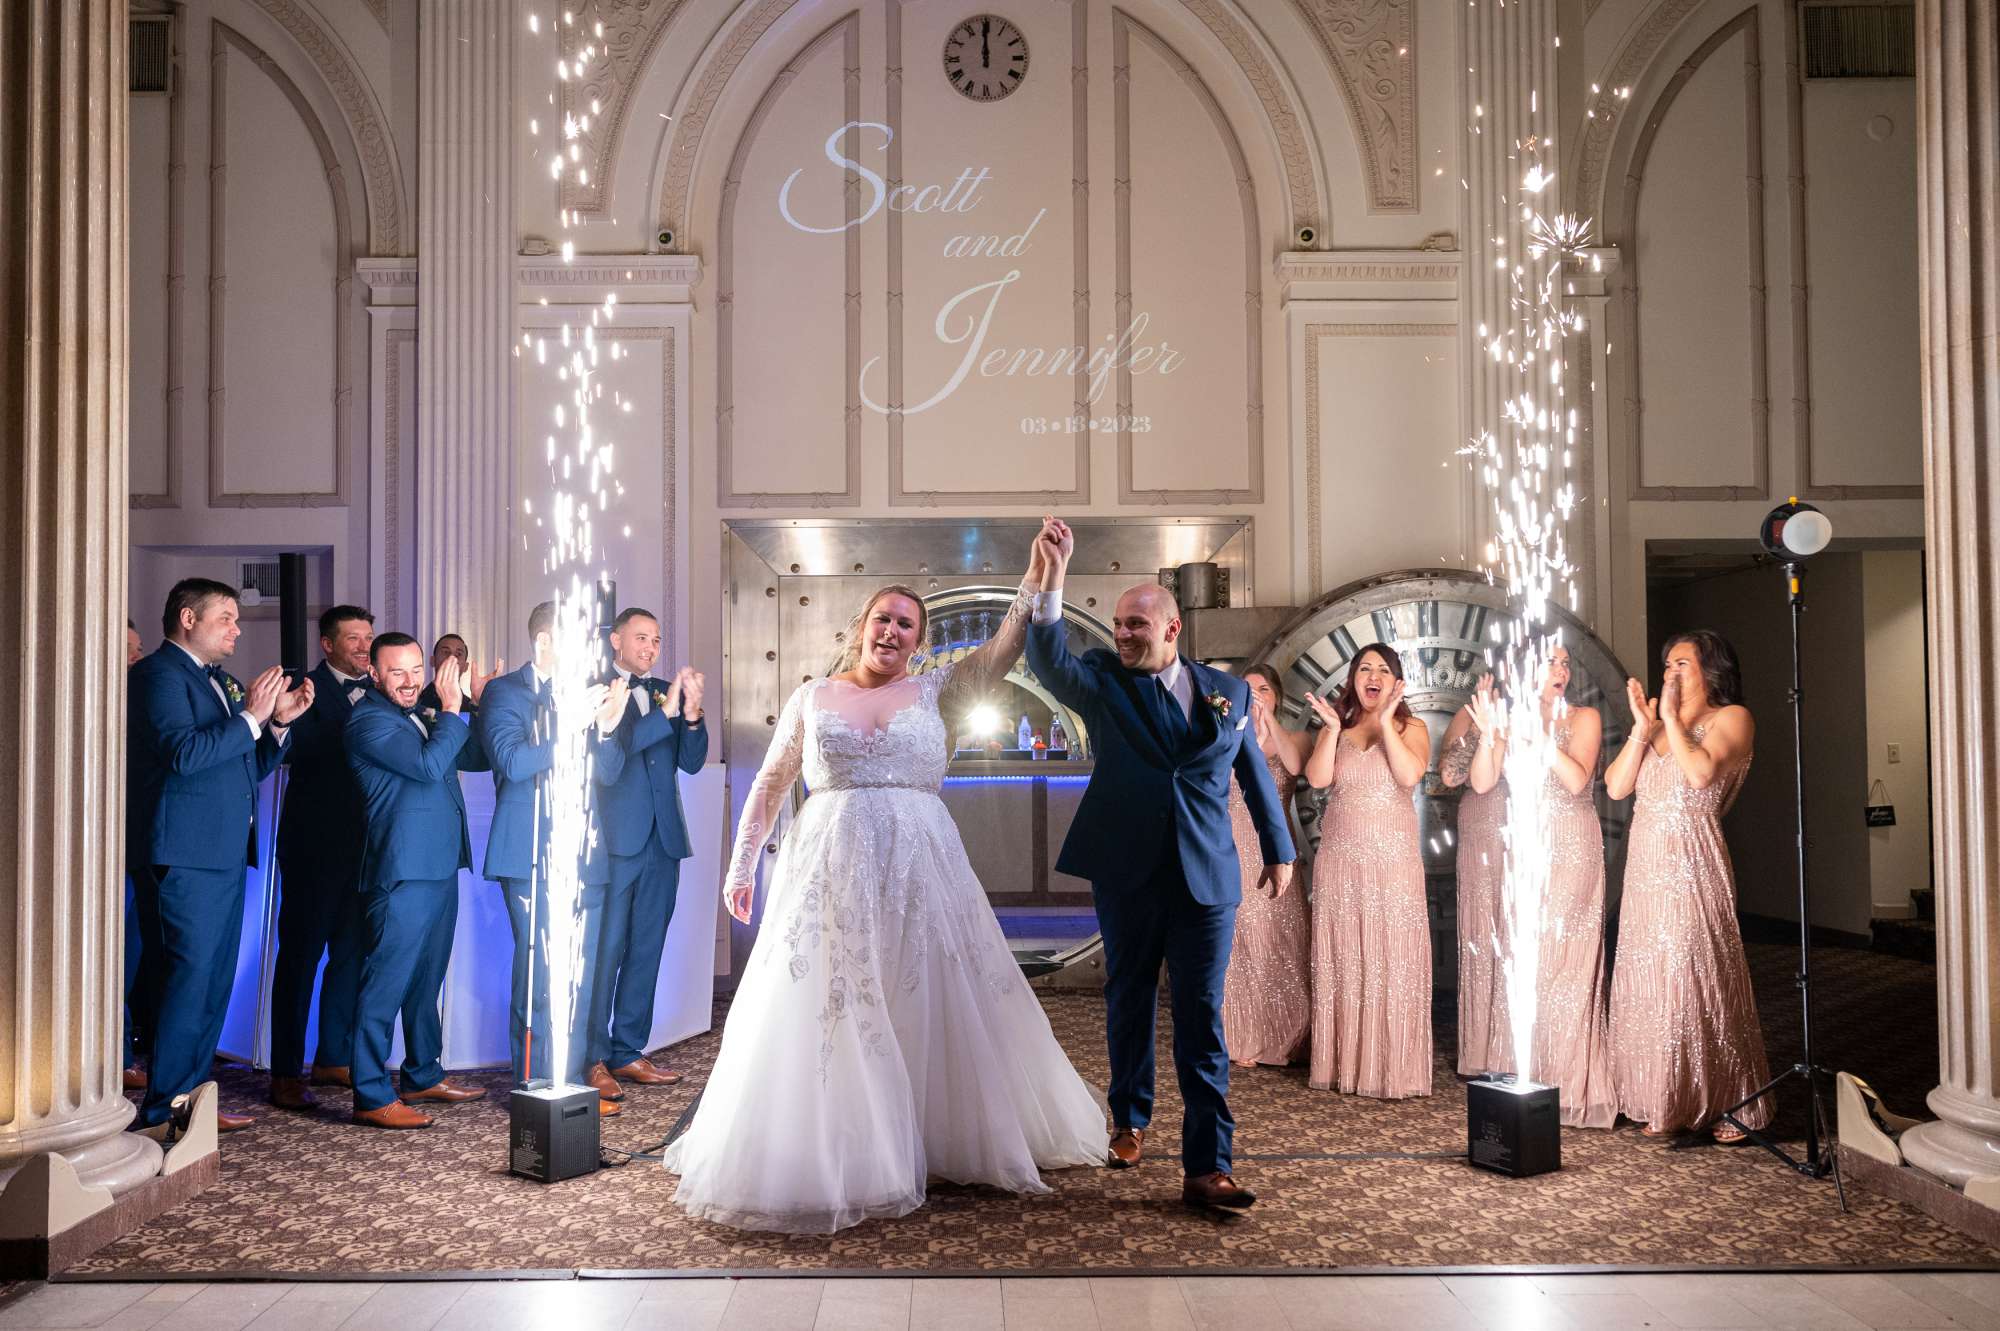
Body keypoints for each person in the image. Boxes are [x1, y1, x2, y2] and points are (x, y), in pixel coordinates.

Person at [664, 525, 1105, 1233]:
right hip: (830, 868)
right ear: (861, 628)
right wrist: (741, 865)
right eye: (883, 618)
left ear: (919, 641)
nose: (892, 630)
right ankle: (846, 1140)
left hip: (920, 866)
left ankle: (932, 1130)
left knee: (924, 988)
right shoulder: (812, 696)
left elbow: (1001, 651)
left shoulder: (941, 689)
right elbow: (772, 783)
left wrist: (1036, 576)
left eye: (906, 623)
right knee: (836, 996)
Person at [1026, 519, 1296, 1212]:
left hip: (1208, 879)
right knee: (1130, 998)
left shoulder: (1228, 693)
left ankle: (1209, 1166)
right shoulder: (1103, 683)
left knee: (1203, 1014)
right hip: (1129, 871)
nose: (1123, 633)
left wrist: (1279, 846)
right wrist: (1052, 581)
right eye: (1118, 624)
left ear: (1173, 630)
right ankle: (1130, 1118)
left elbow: (1254, 773)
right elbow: (1051, 661)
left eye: (1137, 623)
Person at [128, 578, 313, 1132]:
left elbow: (243, 768)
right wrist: (251, 718)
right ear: (188, 618)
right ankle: (164, 1110)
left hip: (222, 853)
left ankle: (190, 1104)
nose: (237, 628)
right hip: (181, 852)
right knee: (187, 979)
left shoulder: (217, 683)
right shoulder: (156, 675)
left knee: (211, 981)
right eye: (226, 618)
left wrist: (276, 724)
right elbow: (183, 755)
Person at [1606, 630, 1770, 1142]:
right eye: (1667, 665)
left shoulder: (1733, 718)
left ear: (1710, 670)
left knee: (1695, 975)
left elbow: (1699, 775)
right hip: (1646, 865)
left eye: (1681, 664)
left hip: (1692, 862)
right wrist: (1642, 726)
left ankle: (1731, 1101)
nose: (1670, 673)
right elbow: (1616, 786)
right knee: (1647, 974)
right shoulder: (1657, 727)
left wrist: (1671, 721)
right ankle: (1663, 1096)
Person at [343, 634, 493, 1128]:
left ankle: (422, 1073)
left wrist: (474, 705)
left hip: (439, 866)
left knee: (427, 980)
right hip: (402, 871)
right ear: (375, 673)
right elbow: (431, 767)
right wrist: (450, 708)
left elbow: (476, 758)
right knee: (385, 984)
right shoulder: (368, 721)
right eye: (397, 672)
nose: (410, 682)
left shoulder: (423, 714)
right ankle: (369, 1093)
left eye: (414, 671)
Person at [481, 602, 625, 1113]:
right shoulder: (505, 692)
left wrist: (605, 728)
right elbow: (514, 762)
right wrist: (571, 727)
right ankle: (536, 1086)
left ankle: (570, 1079)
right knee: (540, 969)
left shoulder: (583, 695)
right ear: (544, 641)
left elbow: (607, 774)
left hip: (584, 854)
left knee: (579, 972)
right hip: (531, 853)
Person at [1465, 646, 1615, 1128]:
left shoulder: (1583, 717)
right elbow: (1483, 783)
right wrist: (1492, 735)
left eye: (1566, 662)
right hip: (1524, 849)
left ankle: (1570, 1085)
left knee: (1565, 964)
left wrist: (1536, 733)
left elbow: (1575, 780)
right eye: (1550, 661)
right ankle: (1529, 1077)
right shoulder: (1507, 717)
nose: (1562, 671)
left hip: (1570, 846)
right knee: (1526, 963)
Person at [1303, 642, 1433, 1100]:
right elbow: (1317, 778)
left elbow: (1410, 775)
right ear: (1353, 679)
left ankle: (1391, 1068)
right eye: (1364, 668)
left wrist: (1387, 724)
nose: (1371, 675)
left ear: (1395, 681)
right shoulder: (1339, 725)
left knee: (1390, 957)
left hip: (1393, 863)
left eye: (1382, 670)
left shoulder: (1411, 726)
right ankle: (1347, 1065)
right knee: (1347, 958)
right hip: (1341, 861)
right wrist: (1332, 730)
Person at [593, 608, 708, 1092]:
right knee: (605, 949)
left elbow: (691, 762)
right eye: (641, 638)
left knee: (647, 948)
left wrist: (694, 714)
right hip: (616, 841)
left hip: (663, 840)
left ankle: (627, 1050)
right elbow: (609, 763)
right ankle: (592, 1056)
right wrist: (664, 714)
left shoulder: (667, 690)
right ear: (616, 639)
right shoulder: (596, 689)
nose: (650, 648)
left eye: (657, 640)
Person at [267, 605, 375, 1109]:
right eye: (353, 638)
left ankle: (334, 1056)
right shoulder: (301, 689)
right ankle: (286, 1072)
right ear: (328, 644)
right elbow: (286, 751)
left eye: (367, 638)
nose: (363, 646)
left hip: (368, 849)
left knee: (352, 958)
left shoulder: (381, 690)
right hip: (313, 847)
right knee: (300, 960)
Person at [1221, 664, 1312, 1069]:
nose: (1255, 695)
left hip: (1275, 848)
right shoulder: (1227, 737)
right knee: (1241, 941)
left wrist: (1269, 721)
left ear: (1276, 695)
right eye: (1247, 689)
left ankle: (1284, 1036)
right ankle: (1241, 1035)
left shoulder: (1297, 738)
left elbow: (1293, 766)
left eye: (1262, 689)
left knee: (1281, 939)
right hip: (1234, 845)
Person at [1439, 674, 1511, 1079]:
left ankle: (1521, 1051)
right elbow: (1449, 776)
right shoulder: (1467, 715)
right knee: (1483, 936)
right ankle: (1483, 1053)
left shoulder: (1539, 714)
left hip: (1526, 829)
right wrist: (1479, 727)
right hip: (1482, 829)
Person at [123, 618, 147, 1091]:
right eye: (127, 650)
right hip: (103, 850)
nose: (136, 657)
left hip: (138, 848)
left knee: (132, 957)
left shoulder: (139, 699)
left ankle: (125, 1053)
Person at [418, 634, 484, 716]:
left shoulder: (473, 707)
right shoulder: (415, 702)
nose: (452, 658)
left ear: (465, 667)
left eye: (458, 654)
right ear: (432, 660)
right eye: (446, 652)